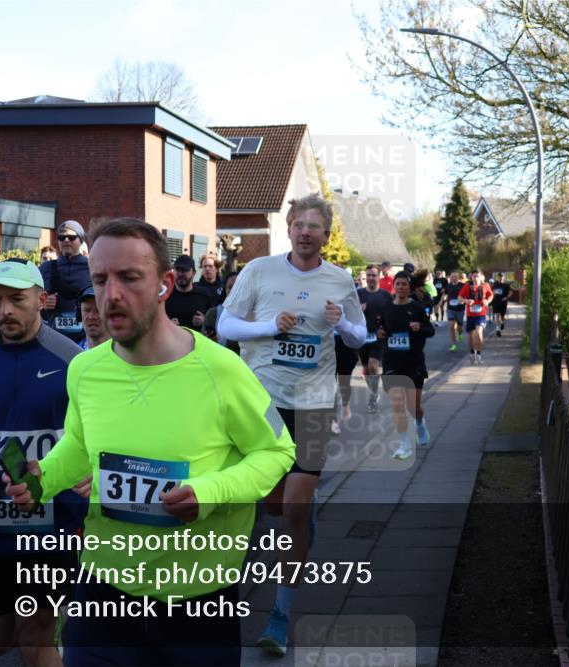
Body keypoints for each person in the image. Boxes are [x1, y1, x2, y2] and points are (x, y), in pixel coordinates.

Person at [5, 217, 295, 666]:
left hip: (197, 605)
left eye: (129, 278)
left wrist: (210, 492)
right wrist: (44, 477)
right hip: (102, 597)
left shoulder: (223, 371)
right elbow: (81, 446)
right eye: (100, 279)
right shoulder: (85, 369)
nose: (111, 294)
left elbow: (278, 450)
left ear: (164, 285)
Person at [217, 193, 366, 656]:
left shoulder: (340, 280)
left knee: (296, 508)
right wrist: (267, 327)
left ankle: (279, 613)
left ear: (326, 234)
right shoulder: (258, 272)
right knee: (262, 506)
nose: (306, 232)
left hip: (314, 405)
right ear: (288, 228)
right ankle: (223, 595)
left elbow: (361, 336)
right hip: (261, 404)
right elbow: (225, 326)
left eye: (314, 226)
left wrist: (341, 324)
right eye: (299, 224)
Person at [0, 259, 87, 667]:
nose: (5, 310)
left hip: (53, 520)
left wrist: (89, 472)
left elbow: (94, 435)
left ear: (42, 301)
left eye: (17, 300)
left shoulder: (73, 361)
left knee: (34, 637)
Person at [376, 271, 434, 459]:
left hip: (414, 362)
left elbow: (430, 330)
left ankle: (420, 422)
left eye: (404, 284)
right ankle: (404, 444)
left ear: (409, 287)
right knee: (397, 405)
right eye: (398, 284)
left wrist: (420, 328)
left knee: (413, 406)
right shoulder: (387, 308)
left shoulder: (416, 308)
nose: (400, 287)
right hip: (392, 361)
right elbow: (382, 329)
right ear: (394, 286)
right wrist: (380, 334)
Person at [40, 220, 92, 343]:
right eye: (62, 237)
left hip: (86, 338)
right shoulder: (45, 268)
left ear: (81, 240)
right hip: (54, 338)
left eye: (72, 237)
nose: (66, 240)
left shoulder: (93, 266)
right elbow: (32, 303)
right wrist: (44, 304)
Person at [357, 264, 393, 414]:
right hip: (362, 336)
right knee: (366, 369)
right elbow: (350, 314)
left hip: (378, 337)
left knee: (373, 366)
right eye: (369, 275)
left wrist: (385, 329)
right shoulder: (358, 294)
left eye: (374, 275)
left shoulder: (385, 296)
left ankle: (373, 395)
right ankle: (374, 392)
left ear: (379, 277)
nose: (371, 278)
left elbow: (391, 315)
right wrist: (358, 311)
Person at [165, 254, 215, 330]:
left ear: (194, 273)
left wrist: (204, 321)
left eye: (185, 270)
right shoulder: (165, 295)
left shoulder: (204, 294)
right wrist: (168, 324)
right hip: (171, 340)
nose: (180, 274)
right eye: (178, 270)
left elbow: (214, 322)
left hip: (197, 341)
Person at [201, 270, 241, 354]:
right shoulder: (213, 314)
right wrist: (208, 340)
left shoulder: (254, 315)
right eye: (229, 287)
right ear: (225, 290)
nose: (233, 290)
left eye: (237, 287)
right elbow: (202, 343)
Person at [459, 270, 492, 364]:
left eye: (478, 276)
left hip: (481, 315)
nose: (476, 278)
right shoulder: (467, 286)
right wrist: (467, 301)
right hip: (470, 315)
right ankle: (472, 352)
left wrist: (487, 301)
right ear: (471, 277)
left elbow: (491, 295)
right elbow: (459, 298)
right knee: (470, 337)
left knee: (479, 332)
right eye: (474, 276)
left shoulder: (485, 286)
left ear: (481, 277)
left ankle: (479, 354)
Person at [76, 284, 110, 351]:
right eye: (87, 310)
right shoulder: (70, 354)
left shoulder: (126, 355)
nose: (92, 317)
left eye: (98, 311)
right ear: (79, 314)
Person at [443, 271, 466, 352]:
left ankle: (460, 333)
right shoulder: (448, 286)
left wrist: (464, 300)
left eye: (455, 277)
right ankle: (453, 345)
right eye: (452, 277)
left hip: (460, 309)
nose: (454, 278)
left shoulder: (462, 286)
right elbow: (445, 294)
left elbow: (466, 295)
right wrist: (442, 300)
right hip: (450, 309)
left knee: (459, 326)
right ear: (450, 277)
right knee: (451, 325)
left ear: (458, 277)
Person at [492, 271, 511, 336]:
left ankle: (502, 323)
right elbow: (492, 291)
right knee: (497, 315)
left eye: (502, 276)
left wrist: (506, 297)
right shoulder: (495, 284)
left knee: (502, 316)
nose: (501, 278)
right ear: (498, 277)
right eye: (500, 276)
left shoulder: (506, 285)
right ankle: (497, 330)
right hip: (496, 302)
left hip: (503, 302)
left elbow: (511, 292)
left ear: (504, 277)